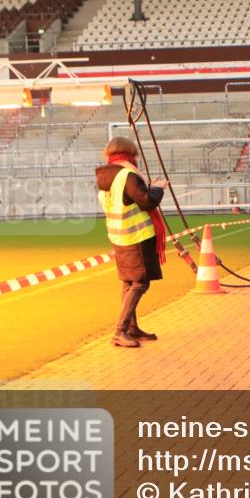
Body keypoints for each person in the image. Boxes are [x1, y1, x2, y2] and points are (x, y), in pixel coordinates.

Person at [96, 137, 168, 348]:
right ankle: (120, 331)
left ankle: (131, 328)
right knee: (140, 282)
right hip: (137, 237)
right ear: (131, 153)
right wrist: (158, 188)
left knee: (129, 282)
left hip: (119, 236)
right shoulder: (127, 174)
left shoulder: (106, 176)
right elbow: (147, 201)